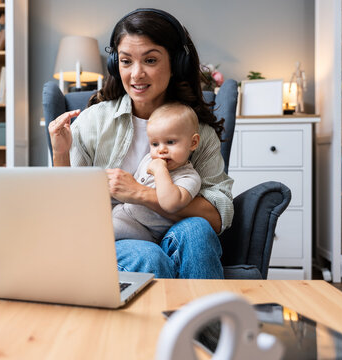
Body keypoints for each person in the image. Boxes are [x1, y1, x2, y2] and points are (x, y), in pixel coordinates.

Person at [48, 8, 234, 279]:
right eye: (126, 61)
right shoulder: (93, 121)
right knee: (148, 256)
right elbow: (66, 205)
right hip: (116, 237)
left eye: (150, 60)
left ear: (175, 64)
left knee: (197, 231)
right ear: (116, 65)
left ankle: (204, 321)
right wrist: (60, 151)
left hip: (176, 232)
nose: (136, 74)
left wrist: (140, 194)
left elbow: (217, 217)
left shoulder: (199, 132)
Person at [113, 102, 201, 243]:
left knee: (104, 229)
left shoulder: (189, 177)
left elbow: (170, 204)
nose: (161, 150)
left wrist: (160, 170)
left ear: (193, 143)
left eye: (170, 142)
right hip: (123, 213)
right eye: (155, 144)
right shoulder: (149, 158)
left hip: (147, 231)